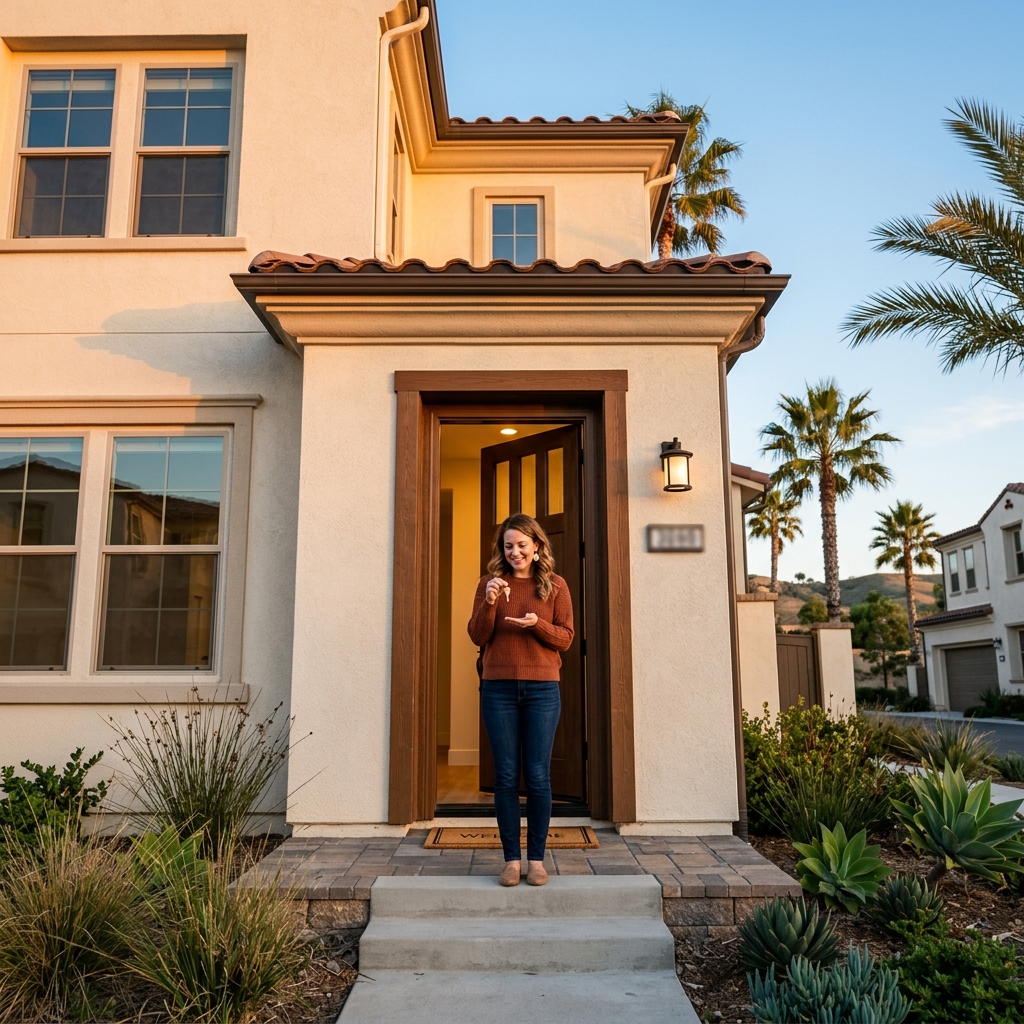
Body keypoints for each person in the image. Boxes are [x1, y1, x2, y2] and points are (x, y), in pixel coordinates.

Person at [468, 512, 574, 886]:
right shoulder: (489, 584)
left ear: (537, 547)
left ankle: (537, 861)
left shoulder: (555, 586)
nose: (515, 552)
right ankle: (511, 860)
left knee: (539, 776)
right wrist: (490, 602)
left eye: (522, 545)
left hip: (543, 690)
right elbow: (478, 636)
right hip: (498, 689)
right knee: (507, 776)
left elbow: (565, 638)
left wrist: (537, 625)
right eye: (509, 546)